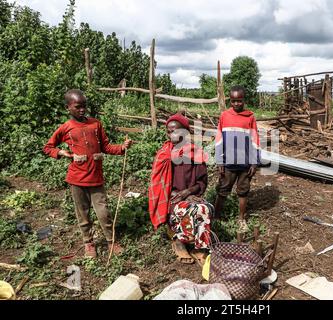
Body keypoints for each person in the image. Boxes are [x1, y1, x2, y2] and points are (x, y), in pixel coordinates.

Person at [43, 89, 132, 258]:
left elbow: (105, 147)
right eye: (78, 107)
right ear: (68, 107)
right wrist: (63, 153)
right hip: (77, 179)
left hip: (96, 178)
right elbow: (48, 148)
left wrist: (122, 147)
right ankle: (88, 243)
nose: (82, 110)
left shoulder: (95, 124)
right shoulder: (66, 128)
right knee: (83, 214)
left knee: (103, 212)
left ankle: (111, 241)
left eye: (84, 106)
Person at [148, 113, 212, 265]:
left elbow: (202, 181)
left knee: (205, 208)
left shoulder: (195, 153)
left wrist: (188, 192)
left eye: (176, 131)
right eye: (169, 131)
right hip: (172, 198)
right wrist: (180, 195)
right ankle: (179, 241)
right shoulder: (165, 155)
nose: (172, 135)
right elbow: (160, 186)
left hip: (191, 195)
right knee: (186, 210)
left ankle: (199, 248)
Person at [214, 86, 260, 232]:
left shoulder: (250, 117)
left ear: (243, 100)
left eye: (239, 101)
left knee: (243, 191)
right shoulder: (224, 116)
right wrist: (219, 160)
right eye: (234, 101)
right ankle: (216, 217)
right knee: (222, 190)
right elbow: (219, 139)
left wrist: (254, 161)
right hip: (228, 162)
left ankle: (241, 219)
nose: (236, 104)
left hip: (245, 163)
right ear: (230, 100)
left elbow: (255, 139)